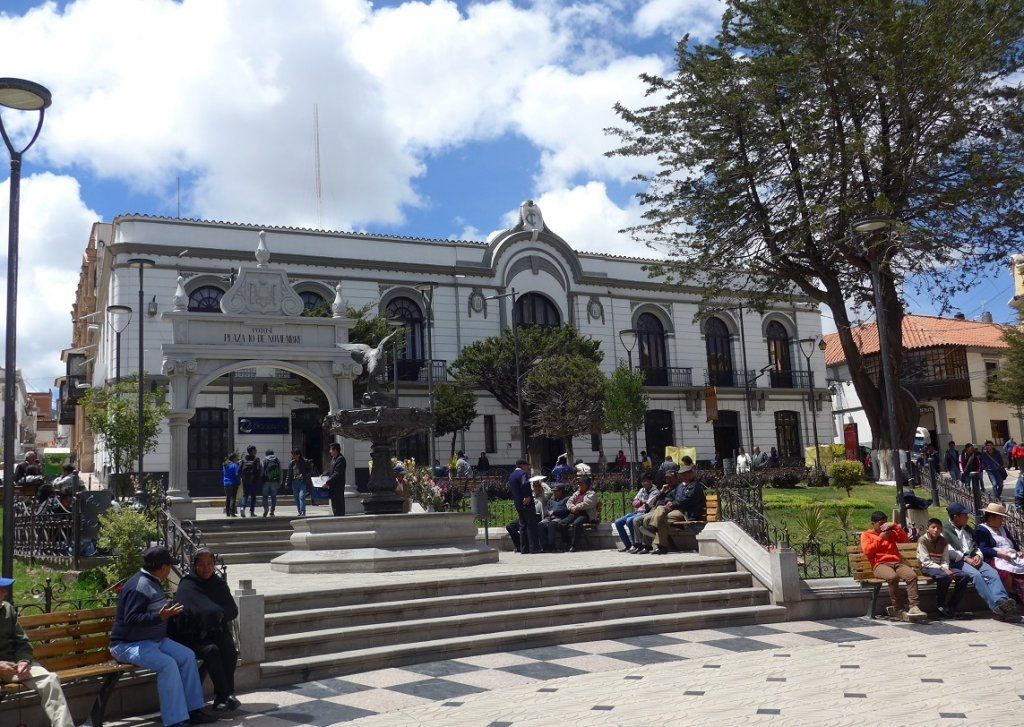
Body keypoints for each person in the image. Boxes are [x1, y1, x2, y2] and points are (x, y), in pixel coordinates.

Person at [109, 546, 215, 727]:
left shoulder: (152, 581)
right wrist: (160, 616)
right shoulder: (139, 586)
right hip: (127, 645)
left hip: (153, 641)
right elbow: (131, 619)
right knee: (168, 665)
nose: (169, 570)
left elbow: (154, 610)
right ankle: (175, 719)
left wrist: (168, 612)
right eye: (169, 566)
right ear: (164, 567)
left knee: (187, 656)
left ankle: (194, 710)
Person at [169, 549, 240, 712]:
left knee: (229, 649)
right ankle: (226, 695)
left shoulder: (219, 584)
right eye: (201, 564)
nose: (206, 568)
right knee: (212, 650)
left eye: (210, 564)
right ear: (194, 566)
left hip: (214, 631)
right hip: (192, 635)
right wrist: (209, 613)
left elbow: (232, 610)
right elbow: (185, 614)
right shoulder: (188, 584)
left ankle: (222, 697)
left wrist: (221, 615)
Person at [0, 576, 75, 727]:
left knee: (50, 680)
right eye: (0, 590)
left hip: (14, 667)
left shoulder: (7, 609)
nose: (5, 593)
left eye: (4, 589)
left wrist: (23, 661)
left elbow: (22, 642)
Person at [942, 503, 1020, 621]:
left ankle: (1002, 601)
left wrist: (978, 555)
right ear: (956, 517)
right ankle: (995, 607)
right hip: (958, 561)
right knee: (976, 575)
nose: (967, 517)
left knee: (992, 573)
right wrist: (965, 558)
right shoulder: (945, 530)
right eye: (964, 515)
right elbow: (949, 551)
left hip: (973, 558)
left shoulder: (967, 529)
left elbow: (976, 546)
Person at [859, 511, 926, 622]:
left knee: (911, 576)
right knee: (892, 577)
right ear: (873, 523)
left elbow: (904, 540)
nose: (884, 526)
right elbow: (868, 552)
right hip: (879, 565)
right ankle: (898, 608)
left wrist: (895, 526)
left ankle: (914, 607)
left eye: (885, 522)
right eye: (881, 523)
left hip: (897, 563)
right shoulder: (866, 535)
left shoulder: (890, 532)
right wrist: (880, 538)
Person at [646, 459, 706, 555]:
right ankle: (660, 542)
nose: (683, 476)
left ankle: (656, 534)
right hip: (678, 510)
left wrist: (673, 504)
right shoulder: (681, 486)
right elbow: (670, 496)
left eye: (685, 474)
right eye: (682, 474)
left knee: (661, 517)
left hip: (687, 512)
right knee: (661, 514)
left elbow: (687, 500)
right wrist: (667, 500)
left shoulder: (695, 486)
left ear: (690, 474)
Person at [917, 518, 969, 618]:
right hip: (927, 567)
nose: (936, 530)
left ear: (941, 530)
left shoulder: (943, 541)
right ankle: (940, 605)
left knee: (964, 576)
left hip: (941, 567)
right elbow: (926, 562)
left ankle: (952, 606)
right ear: (927, 529)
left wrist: (946, 568)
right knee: (944, 577)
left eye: (939, 528)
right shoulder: (923, 540)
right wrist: (944, 569)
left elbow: (945, 560)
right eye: (933, 527)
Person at [974, 502, 1024, 603]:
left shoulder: (1003, 529)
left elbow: (1013, 544)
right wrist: (1001, 554)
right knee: (1006, 574)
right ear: (991, 518)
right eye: (1000, 518)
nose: (1002, 520)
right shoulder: (982, 529)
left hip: (1010, 555)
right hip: (996, 558)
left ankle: (1018, 596)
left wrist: (1018, 552)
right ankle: (1007, 599)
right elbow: (984, 548)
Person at [614, 474, 656, 552]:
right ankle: (628, 545)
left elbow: (648, 504)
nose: (644, 483)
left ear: (651, 481)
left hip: (645, 512)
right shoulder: (642, 490)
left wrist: (639, 502)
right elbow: (634, 502)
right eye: (643, 481)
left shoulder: (655, 491)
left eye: (646, 481)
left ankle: (636, 545)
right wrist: (641, 502)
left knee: (629, 520)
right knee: (618, 522)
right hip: (637, 511)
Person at [507, 478, 551, 552]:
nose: (537, 488)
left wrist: (542, 483)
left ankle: (531, 546)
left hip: (536, 517)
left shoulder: (543, 497)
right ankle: (519, 546)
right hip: (526, 516)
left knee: (529, 527)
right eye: (535, 486)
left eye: (539, 487)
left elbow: (549, 491)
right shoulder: (529, 497)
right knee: (510, 526)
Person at [558, 476, 597, 552]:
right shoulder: (577, 493)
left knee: (577, 523)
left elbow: (588, 504)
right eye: (579, 484)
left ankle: (574, 546)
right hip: (574, 512)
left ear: (587, 485)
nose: (580, 485)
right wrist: (572, 508)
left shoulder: (592, 494)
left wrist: (576, 507)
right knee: (561, 524)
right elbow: (569, 502)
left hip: (585, 514)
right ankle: (567, 543)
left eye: (582, 484)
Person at [508, 460, 540, 554]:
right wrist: (527, 496)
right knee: (531, 525)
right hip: (526, 503)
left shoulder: (511, 475)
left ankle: (524, 548)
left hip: (518, 503)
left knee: (522, 525)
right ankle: (533, 548)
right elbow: (525, 484)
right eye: (527, 465)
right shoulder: (523, 474)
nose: (528, 467)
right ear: (522, 465)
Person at [538, 483, 570, 551]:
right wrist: (548, 513)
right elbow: (545, 509)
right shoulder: (551, 500)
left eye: (556, 491)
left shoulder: (566, 499)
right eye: (554, 491)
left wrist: (555, 512)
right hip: (549, 517)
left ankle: (551, 546)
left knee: (552, 524)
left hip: (560, 517)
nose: (554, 493)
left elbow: (566, 510)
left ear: (561, 491)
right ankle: (544, 546)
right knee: (540, 524)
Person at [285, 449, 315, 517]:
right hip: (294, 482)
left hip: (302, 481)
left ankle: (303, 511)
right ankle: (299, 511)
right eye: (292, 455)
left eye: (294, 454)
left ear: (298, 454)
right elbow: (289, 473)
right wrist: (287, 482)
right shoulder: (292, 463)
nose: (293, 456)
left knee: (301, 496)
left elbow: (310, 471)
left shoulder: (305, 461)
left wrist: (303, 475)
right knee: (296, 497)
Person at [238, 445, 262, 518]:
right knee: (253, 496)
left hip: (245, 480)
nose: (256, 451)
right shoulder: (256, 459)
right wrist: (257, 478)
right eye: (255, 450)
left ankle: (242, 508)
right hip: (254, 481)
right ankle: (252, 511)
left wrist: (243, 478)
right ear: (253, 451)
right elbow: (258, 470)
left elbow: (239, 470)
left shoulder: (244, 460)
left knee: (245, 495)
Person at [324, 442, 347, 517]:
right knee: (334, 503)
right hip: (333, 485)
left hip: (338, 485)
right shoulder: (334, 459)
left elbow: (337, 473)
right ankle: (336, 516)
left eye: (331, 450)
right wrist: (324, 474)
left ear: (335, 450)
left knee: (338, 502)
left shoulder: (340, 459)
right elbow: (331, 471)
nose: (329, 451)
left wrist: (327, 483)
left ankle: (340, 517)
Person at [260, 449, 282, 517]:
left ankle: (266, 509)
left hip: (266, 481)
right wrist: (280, 481)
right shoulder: (277, 460)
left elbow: (262, 471)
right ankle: (272, 511)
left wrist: (261, 480)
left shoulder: (264, 460)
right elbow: (280, 471)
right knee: (273, 497)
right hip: (275, 481)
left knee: (265, 496)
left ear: (266, 454)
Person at [221, 453, 240, 518]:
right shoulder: (235, 465)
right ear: (234, 458)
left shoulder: (225, 465)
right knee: (233, 498)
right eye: (236, 458)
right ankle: (232, 513)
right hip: (233, 483)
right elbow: (237, 474)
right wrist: (239, 481)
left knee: (228, 498)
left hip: (226, 483)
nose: (237, 459)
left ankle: (227, 513)